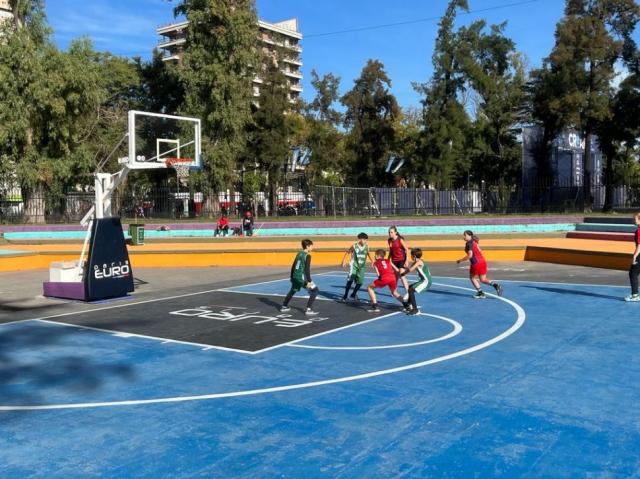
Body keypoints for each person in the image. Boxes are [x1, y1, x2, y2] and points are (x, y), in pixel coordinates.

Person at [456, 230, 503, 299]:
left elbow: (470, 255)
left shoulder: (469, 243)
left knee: (472, 277)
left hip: (476, 263)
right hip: (482, 261)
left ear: (470, 236)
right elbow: (480, 251)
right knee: (483, 279)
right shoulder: (475, 242)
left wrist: (460, 260)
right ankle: (496, 285)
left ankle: (480, 293)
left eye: (465, 235)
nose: (463, 237)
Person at [281, 239, 319, 315]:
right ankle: (309, 309)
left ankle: (284, 306)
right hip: (301, 278)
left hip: (295, 276)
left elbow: (294, 265)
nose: (312, 248)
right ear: (307, 246)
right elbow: (307, 270)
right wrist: (309, 281)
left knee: (293, 291)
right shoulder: (307, 256)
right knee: (315, 290)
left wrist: (291, 276)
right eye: (311, 246)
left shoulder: (299, 253)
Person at [339, 232, 374, 302]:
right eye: (364, 240)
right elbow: (348, 252)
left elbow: (369, 254)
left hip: (362, 267)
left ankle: (353, 294)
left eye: (366, 240)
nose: (365, 241)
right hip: (354, 265)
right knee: (350, 280)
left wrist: (372, 261)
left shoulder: (367, 247)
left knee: (360, 282)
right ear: (360, 239)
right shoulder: (354, 246)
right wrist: (344, 261)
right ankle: (345, 296)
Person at [399, 247, 432, 315]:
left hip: (426, 281)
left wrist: (402, 274)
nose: (410, 257)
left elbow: (410, 270)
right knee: (410, 287)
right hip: (423, 280)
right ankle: (408, 304)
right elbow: (409, 268)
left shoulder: (418, 262)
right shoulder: (416, 261)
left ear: (414, 256)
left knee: (411, 290)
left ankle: (415, 309)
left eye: (411, 255)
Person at [388, 226, 410, 294]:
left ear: (395, 232)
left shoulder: (400, 239)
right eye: (389, 232)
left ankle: (408, 292)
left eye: (391, 232)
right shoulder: (389, 240)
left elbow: (406, 249)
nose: (390, 234)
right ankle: (394, 291)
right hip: (394, 260)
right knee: (395, 277)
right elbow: (391, 251)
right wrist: (388, 259)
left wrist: (407, 260)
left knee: (402, 274)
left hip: (401, 259)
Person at [625, 212, 640, 301]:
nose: (633, 221)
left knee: (633, 273)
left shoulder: (639, 231)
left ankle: (635, 295)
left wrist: (634, 256)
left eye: (635, 219)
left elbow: (639, 245)